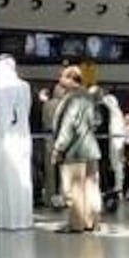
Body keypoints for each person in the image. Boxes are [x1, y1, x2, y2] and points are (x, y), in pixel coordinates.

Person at [51, 66, 101, 233]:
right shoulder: (89, 96)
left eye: (62, 76)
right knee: (91, 186)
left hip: (75, 151)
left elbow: (68, 125)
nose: (59, 79)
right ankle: (91, 221)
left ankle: (76, 223)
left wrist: (58, 148)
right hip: (91, 148)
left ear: (70, 79)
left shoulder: (72, 99)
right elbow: (97, 121)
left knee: (74, 188)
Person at [0, 55, 34, 230]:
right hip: (23, 138)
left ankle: (6, 219)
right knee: (23, 178)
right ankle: (24, 218)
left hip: (4, 139)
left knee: (5, 179)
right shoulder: (25, 86)